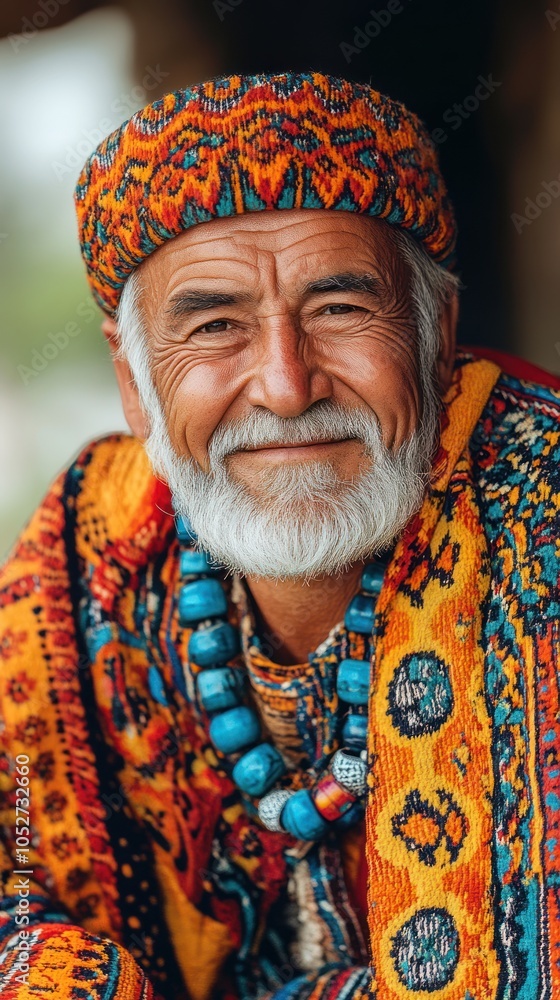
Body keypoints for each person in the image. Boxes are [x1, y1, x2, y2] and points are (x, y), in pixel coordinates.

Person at [1, 71, 559, 1000]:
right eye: (215, 326)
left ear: (436, 331)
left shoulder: (538, 517)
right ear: (133, 381)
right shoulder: (89, 540)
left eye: (339, 310)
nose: (287, 386)